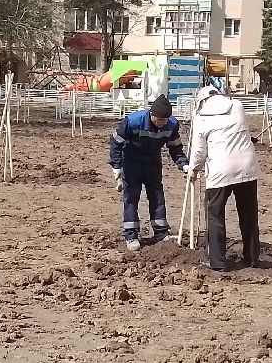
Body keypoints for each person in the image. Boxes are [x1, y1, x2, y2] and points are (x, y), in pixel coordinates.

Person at [189, 84, 262, 271]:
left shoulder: (200, 118)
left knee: (214, 214)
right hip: (246, 166)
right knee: (248, 213)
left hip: (220, 169)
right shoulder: (237, 106)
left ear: (202, 101)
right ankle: (252, 257)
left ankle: (216, 261)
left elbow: (199, 150)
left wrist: (194, 169)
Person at [109, 94, 188, 251]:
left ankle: (161, 233)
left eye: (165, 120)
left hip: (153, 161)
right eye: (159, 120)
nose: (161, 124)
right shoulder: (133, 121)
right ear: (151, 114)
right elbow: (116, 142)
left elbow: (175, 147)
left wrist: (183, 164)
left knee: (157, 196)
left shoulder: (172, 125)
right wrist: (117, 166)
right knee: (131, 197)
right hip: (132, 160)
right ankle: (131, 236)